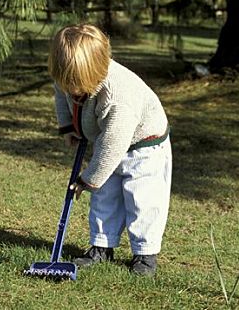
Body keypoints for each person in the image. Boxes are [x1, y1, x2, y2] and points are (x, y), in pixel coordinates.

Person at [49, 23, 172, 276]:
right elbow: (61, 93)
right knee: (104, 197)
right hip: (109, 141)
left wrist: (89, 179)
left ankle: (145, 254)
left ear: (95, 73)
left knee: (142, 200)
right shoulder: (69, 77)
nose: (68, 88)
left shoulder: (118, 98)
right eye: (65, 81)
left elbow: (114, 145)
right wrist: (68, 127)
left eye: (74, 83)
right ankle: (101, 247)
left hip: (144, 147)